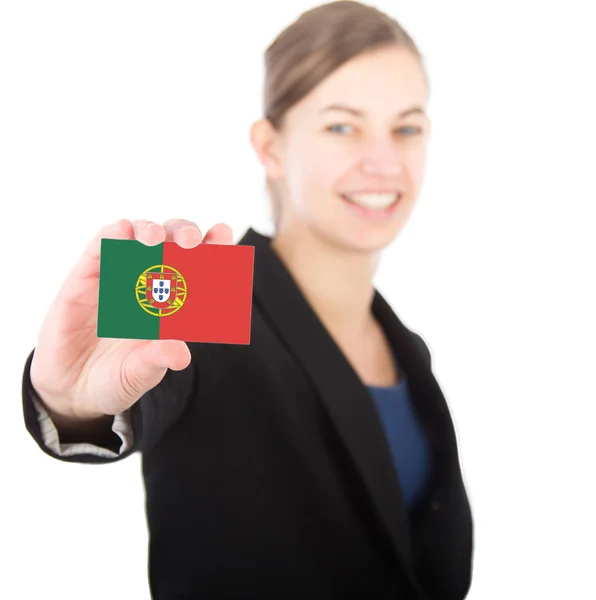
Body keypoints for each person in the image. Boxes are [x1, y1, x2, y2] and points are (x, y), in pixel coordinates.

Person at [21, 1, 474, 598]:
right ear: (271, 148)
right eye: (342, 125)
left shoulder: (409, 349)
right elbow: (131, 394)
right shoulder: (207, 303)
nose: (384, 161)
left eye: (406, 127)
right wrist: (69, 402)